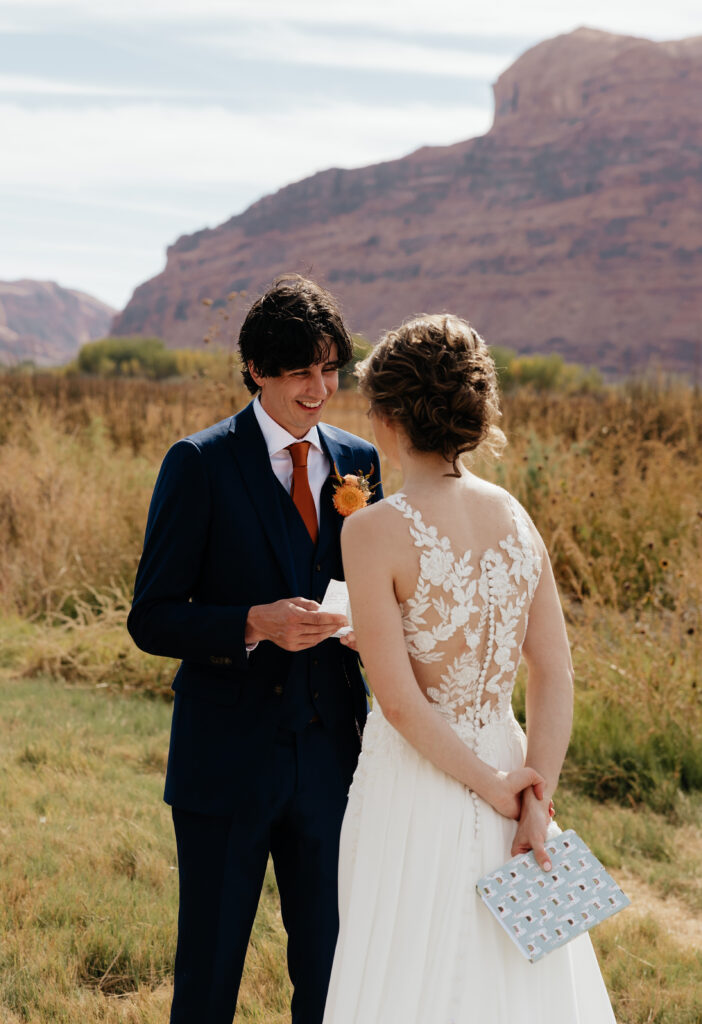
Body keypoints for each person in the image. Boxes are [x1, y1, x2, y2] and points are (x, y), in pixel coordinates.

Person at [322, 314, 616, 1023]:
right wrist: (534, 802)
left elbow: (397, 701)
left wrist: (493, 788)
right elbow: (554, 673)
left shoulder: (370, 530)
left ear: (388, 416)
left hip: (422, 782)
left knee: (403, 969)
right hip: (515, 778)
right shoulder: (516, 516)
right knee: (510, 977)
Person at [127, 274, 382, 1024]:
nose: (320, 388)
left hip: (332, 758)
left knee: (332, 974)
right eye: (301, 370)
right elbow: (152, 619)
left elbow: (369, 587)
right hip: (225, 762)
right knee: (207, 980)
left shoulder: (359, 461)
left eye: (330, 367)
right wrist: (251, 622)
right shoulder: (199, 464)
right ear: (256, 369)